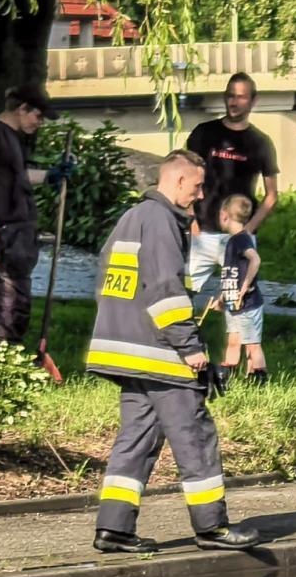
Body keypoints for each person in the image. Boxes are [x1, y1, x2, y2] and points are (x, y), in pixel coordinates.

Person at [86, 148, 261, 555]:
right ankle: (212, 527)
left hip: (125, 349)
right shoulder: (162, 220)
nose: (200, 196)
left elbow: (110, 280)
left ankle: (113, 528)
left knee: (136, 438)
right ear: (179, 181)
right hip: (159, 351)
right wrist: (191, 347)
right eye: (198, 187)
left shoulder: (132, 218)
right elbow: (165, 289)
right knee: (195, 435)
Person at [0, 84, 75, 343]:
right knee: (10, 305)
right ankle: (3, 361)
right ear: (22, 109)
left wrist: (51, 175)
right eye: (38, 116)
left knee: (13, 303)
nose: (41, 123)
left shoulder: (11, 137)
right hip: (2, 232)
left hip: (18, 233)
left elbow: (15, 176)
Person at [184, 73, 279, 313]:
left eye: (240, 97)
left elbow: (271, 196)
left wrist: (246, 232)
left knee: (240, 305)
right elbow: (184, 178)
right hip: (202, 232)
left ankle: (242, 349)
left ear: (253, 101)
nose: (234, 102)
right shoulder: (203, 134)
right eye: (229, 96)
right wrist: (191, 219)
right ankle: (171, 342)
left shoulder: (260, 142)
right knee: (181, 293)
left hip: (238, 235)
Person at [213, 194, 268, 384]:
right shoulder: (232, 241)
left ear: (224, 215)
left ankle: (258, 378)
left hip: (248, 304)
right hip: (232, 304)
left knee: (252, 344)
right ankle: (225, 376)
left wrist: (245, 286)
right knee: (233, 341)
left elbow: (255, 259)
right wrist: (222, 297)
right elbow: (230, 274)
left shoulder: (242, 239)